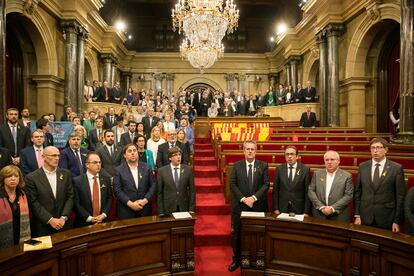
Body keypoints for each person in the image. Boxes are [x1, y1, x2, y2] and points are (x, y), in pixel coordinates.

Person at [228, 140, 269, 272]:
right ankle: (237, 259)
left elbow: (266, 184)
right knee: (237, 234)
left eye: (252, 149)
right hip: (240, 207)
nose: (250, 151)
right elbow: (232, 184)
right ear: (243, 151)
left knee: (257, 234)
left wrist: (254, 198)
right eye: (247, 149)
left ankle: (256, 258)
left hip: (257, 206)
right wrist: (244, 199)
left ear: (256, 151)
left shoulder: (263, 166)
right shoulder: (237, 165)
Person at [354, 138, 406, 232]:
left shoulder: (396, 168)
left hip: (386, 217)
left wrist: (397, 220)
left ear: (386, 150)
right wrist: (357, 215)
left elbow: (400, 196)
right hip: (366, 215)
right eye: (372, 148)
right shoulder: (362, 166)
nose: (375, 150)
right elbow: (358, 192)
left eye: (378, 147)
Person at [25, 146, 74, 237]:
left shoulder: (66, 174)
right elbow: (33, 202)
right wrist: (50, 219)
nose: (57, 158)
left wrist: (63, 217)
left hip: (64, 224)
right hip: (43, 226)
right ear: (43, 157)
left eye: (58, 156)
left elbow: (70, 197)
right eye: (53, 155)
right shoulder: (31, 178)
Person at [308, 150, 353, 222]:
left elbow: (348, 195)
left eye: (332, 159)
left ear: (338, 161)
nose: (329, 162)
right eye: (327, 160)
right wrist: (321, 207)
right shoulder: (317, 174)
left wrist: (332, 208)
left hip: (339, 216)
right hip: (319, 214)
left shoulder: (347, 176)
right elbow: (311, 191)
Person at [113, 144, 156, 219]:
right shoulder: (118, 170)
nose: (133, 153)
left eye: (134, 151)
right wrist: (131, 204)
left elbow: (153, 186)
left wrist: (144, 201)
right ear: (124, 155)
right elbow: (117, 191)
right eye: (129, 151)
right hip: (126, 210)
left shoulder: (147, 167)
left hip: (144, 209)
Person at [73, 153, 112, 227]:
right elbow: (76, 203)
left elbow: (109, 199)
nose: (98, 164)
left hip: (103, 222)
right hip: (83, 223)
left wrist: (103, 215)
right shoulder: (77, 181)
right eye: (95, 162)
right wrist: (89, 218)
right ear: (87, 165)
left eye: (99, 162)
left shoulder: (106, 179)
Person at [273, 146, 311, 215]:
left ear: (297, 156)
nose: (289, 156)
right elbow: (275, 190)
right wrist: (276, 208)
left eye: (292, 154)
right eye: (287, 154)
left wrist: (306, 212)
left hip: (299, 208)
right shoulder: (279, 169)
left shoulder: (305, 170)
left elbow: (307, 192)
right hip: (282, 208)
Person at [157, 147, 195, 216]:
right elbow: (159, 193)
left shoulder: (188, 170)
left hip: (184, 206)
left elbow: (192, 191)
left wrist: (191, 209)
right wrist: (160, 211)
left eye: (179, 154)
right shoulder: (161, 171)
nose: (178, 157)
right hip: (168, 208)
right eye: (175, 155)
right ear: (170, 158)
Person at [0, 165, 31, 249]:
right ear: (3, 178)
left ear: (19, 178)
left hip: (21, 236)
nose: (13, 178)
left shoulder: (23, 194)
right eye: (9, 176)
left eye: (16, 176)